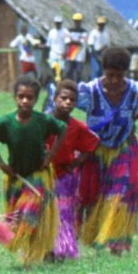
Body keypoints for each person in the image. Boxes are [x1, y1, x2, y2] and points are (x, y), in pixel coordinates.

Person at [75, 46, 138, 254]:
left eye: (119, 76)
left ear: (126, 73)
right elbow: (61, 100)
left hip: (124, 147)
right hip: (94, 151)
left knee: (122, 194)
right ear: (103, 70)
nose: (114, 81)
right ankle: (90, 235)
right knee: (92, 195)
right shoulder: (89, 91)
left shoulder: (134, 89)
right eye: (110, 75)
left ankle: (118, 241)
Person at [0, 77, 66, 266]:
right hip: (15, 177)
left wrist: (49, 157)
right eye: (21, 96)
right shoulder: (5, 122)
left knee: (30, 211)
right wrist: (1, 163)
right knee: (17, 215)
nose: (25, 101)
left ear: (36, 99)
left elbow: (62, 129)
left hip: (37, 176)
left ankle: (36, 251)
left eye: (30, 97)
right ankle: (33, 250)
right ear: (15, 97)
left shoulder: (43, 120)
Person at [44, 84, 100, 261]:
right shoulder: (43, 122)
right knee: (44, 212)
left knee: (63, 212)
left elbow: (93, 143)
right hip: (43, 175)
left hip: (64, 176)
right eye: (63, 98)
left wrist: (77, 161)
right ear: (54, 100)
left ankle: (62, 248)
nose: (67, 103)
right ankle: (44, 247)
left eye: (72, 100)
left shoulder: (77, 126)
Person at [45, 18, 68, 92]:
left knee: (60, 72)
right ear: (55, 23)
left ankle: (60, 87)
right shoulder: (51, 32)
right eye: (57, 23)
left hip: (61, 55)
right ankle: (55, 88)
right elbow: (48, 44)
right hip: (53, 55)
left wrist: (66, 52)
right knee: (54, 72)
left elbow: (68, 44)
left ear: (61, 23)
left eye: (59, 23)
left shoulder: (65, 32)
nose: (58, 24)